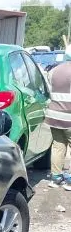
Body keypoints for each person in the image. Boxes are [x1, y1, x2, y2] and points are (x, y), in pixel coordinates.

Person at [45, 60, 71, 190]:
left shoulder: (53, 71)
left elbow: (47, 91)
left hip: (54, 116)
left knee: (58, 146)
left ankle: (56, 179)